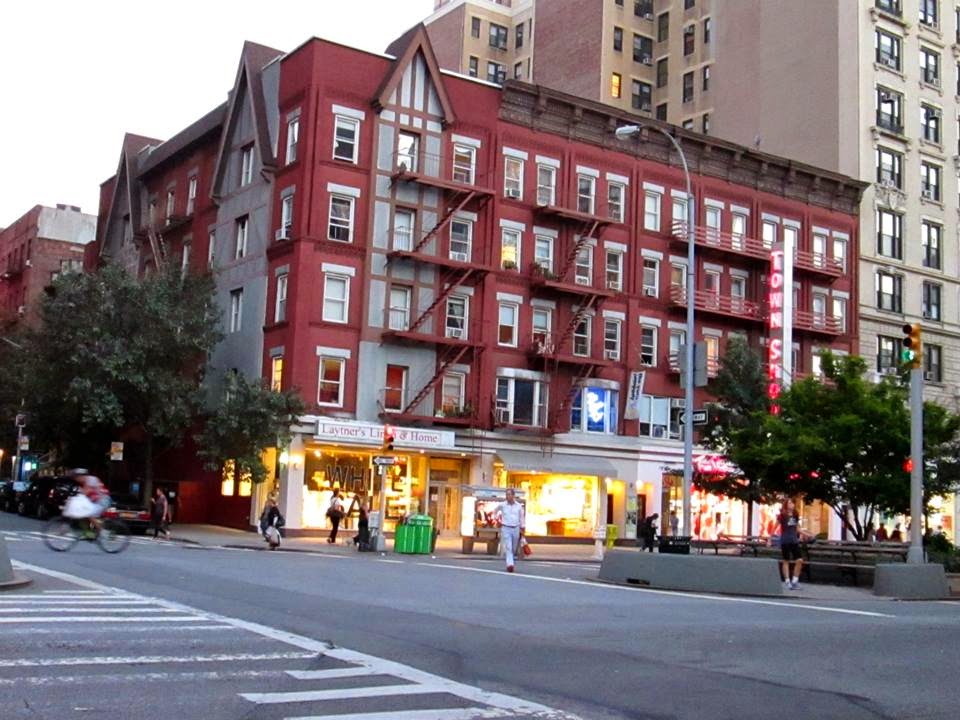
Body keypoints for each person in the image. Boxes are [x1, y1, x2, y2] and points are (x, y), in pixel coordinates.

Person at [495, 488, 525, 572]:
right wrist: (496, 519)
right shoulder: (502, 505)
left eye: (509, 494)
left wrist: (523, 527)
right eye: (506, 494)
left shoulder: (518, 506)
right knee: (508, 547)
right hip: (506, 528)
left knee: (513, 547)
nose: (507, 496)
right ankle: (510, 565)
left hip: (516, 528)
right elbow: (495, 511)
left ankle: (511, 559)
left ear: (513, 495)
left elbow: (521, 517)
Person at [778, 499, 804, 590]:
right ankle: (787, 581)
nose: (792, 504)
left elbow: (797, 528)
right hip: (785, 540)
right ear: (786, 505)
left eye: (792, 502)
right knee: (786, 560)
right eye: (789, 503)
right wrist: (769, 539)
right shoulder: (782, 515)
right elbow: (776, 526)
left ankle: (795, 581)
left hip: (794, 541)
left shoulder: (795, 515)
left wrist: (806, 534)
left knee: (799, 560)